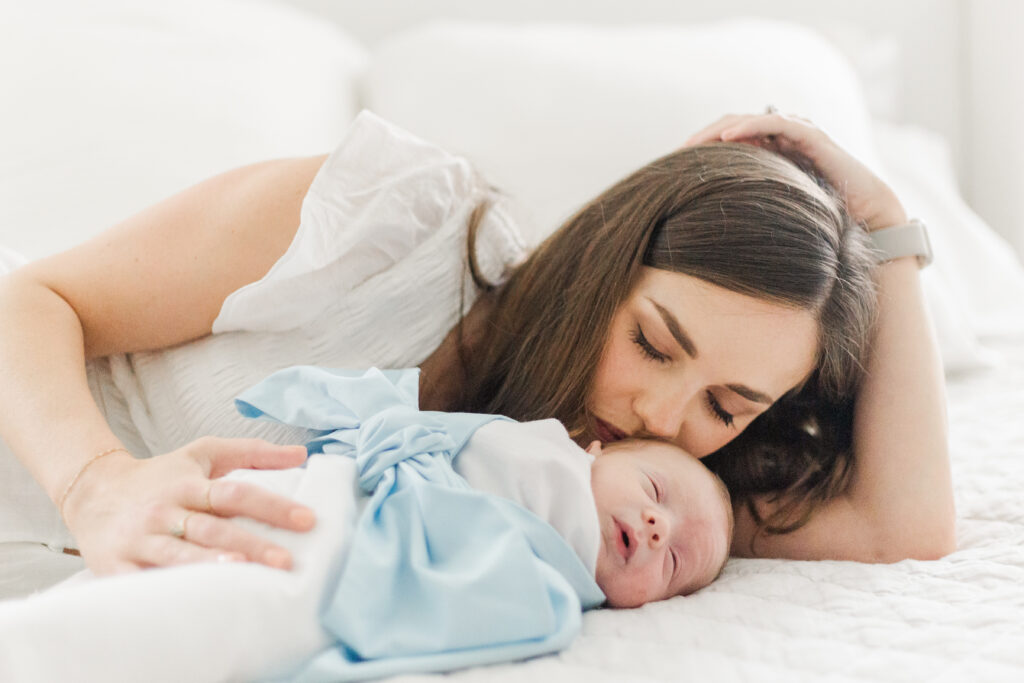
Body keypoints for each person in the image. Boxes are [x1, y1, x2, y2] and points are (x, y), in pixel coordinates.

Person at [0, 109, 954, 598]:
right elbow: (32, 299)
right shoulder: (391, 218)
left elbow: (900, 528)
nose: (667, 416)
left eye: (727, 405)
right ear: (604, 257)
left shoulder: (632, 503)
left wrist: (887, 230)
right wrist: (99, 484)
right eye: (653, 342)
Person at [0, 365, 731, 682]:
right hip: (331, 499)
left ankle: (37, 647)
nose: (658, 527)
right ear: (595, 446)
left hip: (361, 569)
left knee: (225, 615)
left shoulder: (558, 592)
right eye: (655, 488)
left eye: (675, 565)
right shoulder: (544, 444)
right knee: (155, 568)